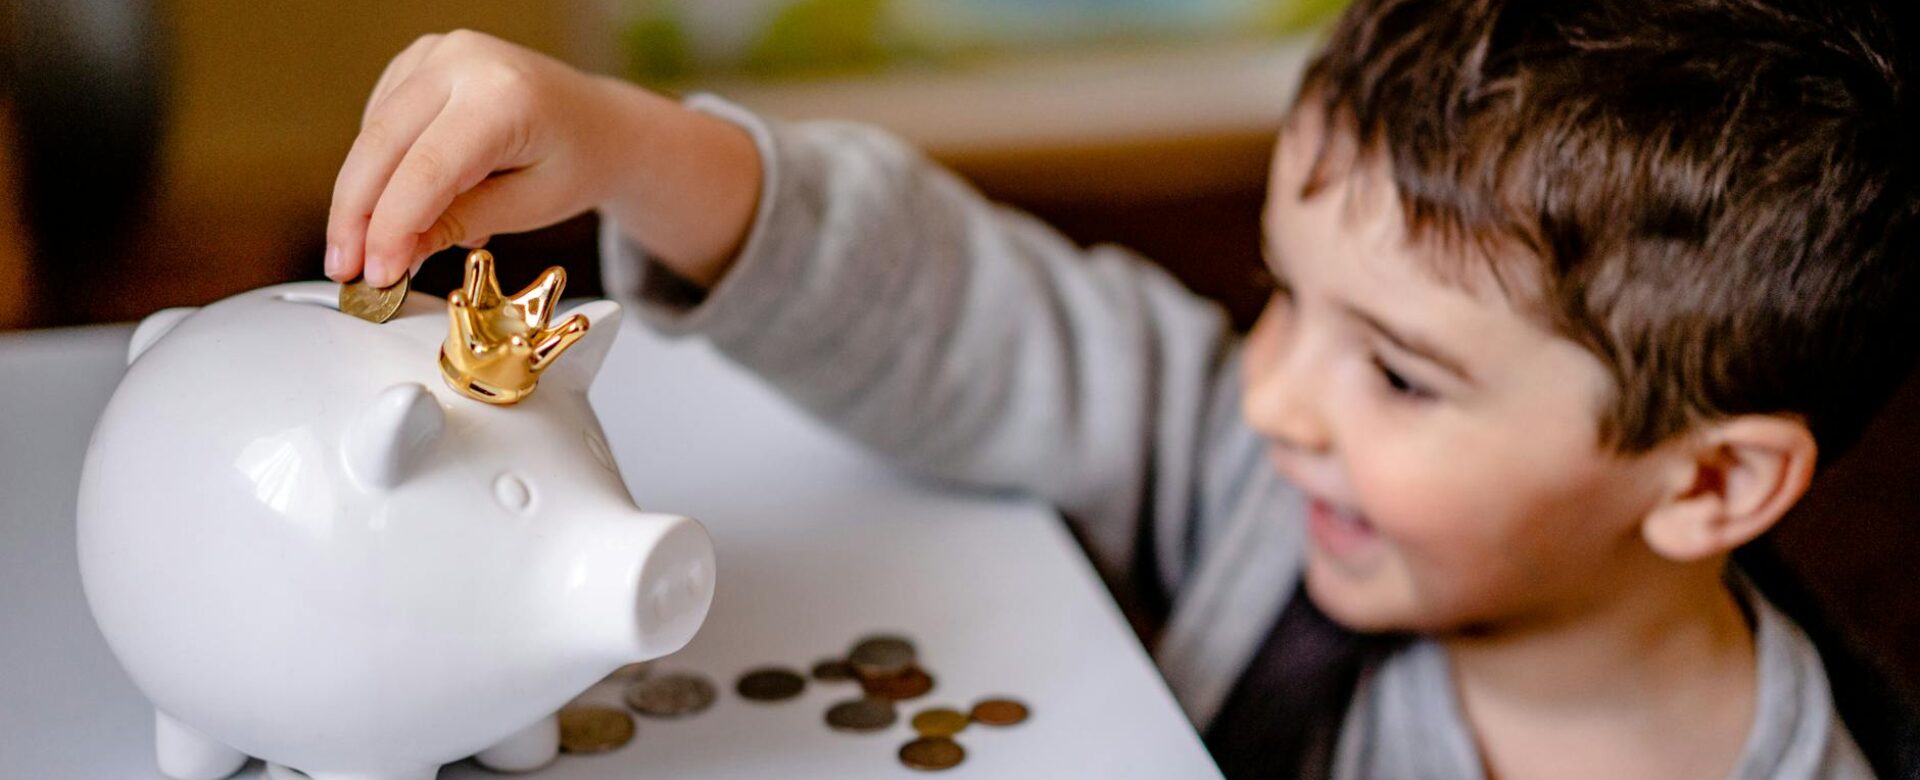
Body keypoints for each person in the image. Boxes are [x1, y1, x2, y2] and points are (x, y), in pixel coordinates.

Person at [322, 1, 1917, 776]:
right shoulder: (1256, 479)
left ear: (1707, 483)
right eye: (1285, 293)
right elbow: (963, 309)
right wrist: (621, 145)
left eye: (1399, 375)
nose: (1274, 393)